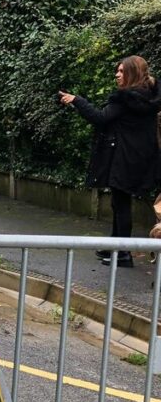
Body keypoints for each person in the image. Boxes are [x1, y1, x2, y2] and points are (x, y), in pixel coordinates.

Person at [60, 55, 161, 267]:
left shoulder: (126, 99)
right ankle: (114, 246)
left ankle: (122, 254)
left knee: (121, 204)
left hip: (124, 157)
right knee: (119, 202)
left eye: (122, 71)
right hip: (140, 157)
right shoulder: (148, 98)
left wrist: (77, 100)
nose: (117, 74)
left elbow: (100, 117)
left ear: (132, 74)